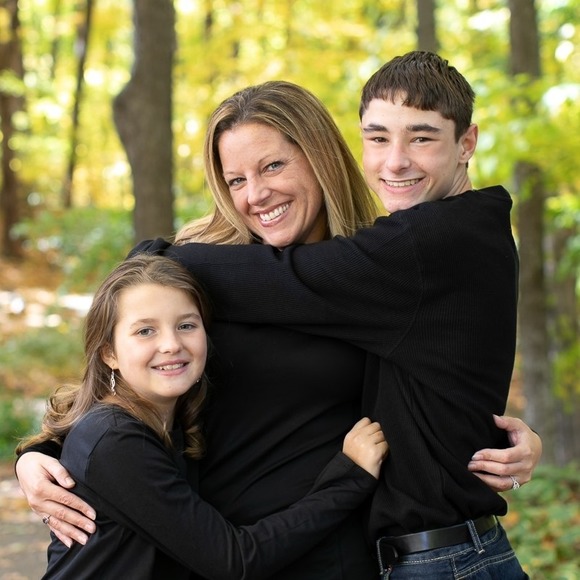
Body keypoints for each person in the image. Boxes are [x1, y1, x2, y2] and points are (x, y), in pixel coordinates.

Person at [16, 75, 539, 578]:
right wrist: (48, 452)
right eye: (236, 180)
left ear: (319, 157)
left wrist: (501, 435)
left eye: (273, 166)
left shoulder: (381, 269)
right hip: (223, 551)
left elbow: (443, 370)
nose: (256, 194)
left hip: (337, 553)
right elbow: (129, 377)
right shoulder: (205, 269)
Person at [17, 254, 387, 579]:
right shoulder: (115, 439)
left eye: (186, 325)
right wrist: (348, 478)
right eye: (145, 331)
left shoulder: (167, 426)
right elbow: (234, 561)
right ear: (109, 354)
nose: (171, 344)